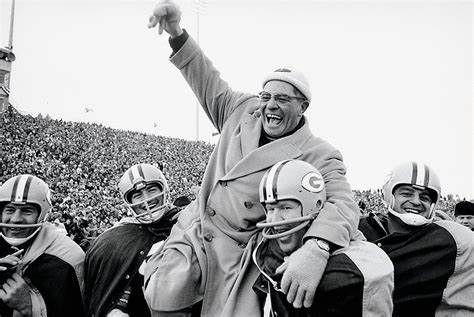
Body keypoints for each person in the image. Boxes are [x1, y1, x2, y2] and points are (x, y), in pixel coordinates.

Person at [144, 2, 361, 315]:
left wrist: (317, 246)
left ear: (303, 107)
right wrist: (177, 33)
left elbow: (343, 203)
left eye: (283, 99)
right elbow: (206, 78)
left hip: (244, 249)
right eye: (267, 96)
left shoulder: (319, 153)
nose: (270, 106)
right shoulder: (241, 111)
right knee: (163, 298)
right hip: (198, 226)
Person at [253, 159, 393, 316]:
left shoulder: (354, 266)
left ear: (316, 205)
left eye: (285, 207)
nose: (275, 220)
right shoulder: (268, 253)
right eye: (270, 209)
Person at [359, 162, 474, 316]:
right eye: (407, 193)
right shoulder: (359, 229)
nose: (416, 201)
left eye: (424, 197)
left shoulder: (449, 238)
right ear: (387, 195)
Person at [83, 163, 189, 317]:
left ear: (164, 189)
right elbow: (117, 284)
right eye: (137, 195)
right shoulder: (117, 237)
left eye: (152, 190)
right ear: (129, 201)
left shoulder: (186, 224)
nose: (146, 199)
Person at [0, 174, 85, 317]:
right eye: (9, 209)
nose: (15, 219)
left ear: (42, 215)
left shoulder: (69, 258)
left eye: (27, 211)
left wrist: (30, 306)